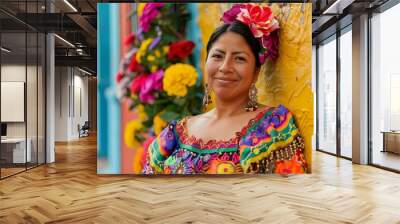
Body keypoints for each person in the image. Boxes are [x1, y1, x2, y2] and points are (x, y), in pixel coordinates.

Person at [142, 3, 308, 174]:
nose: (225, 67)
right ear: (206, 63)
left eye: (239, 59)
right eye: (217, 56)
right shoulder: (175, 134)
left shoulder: (272, 127)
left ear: (256, 72)